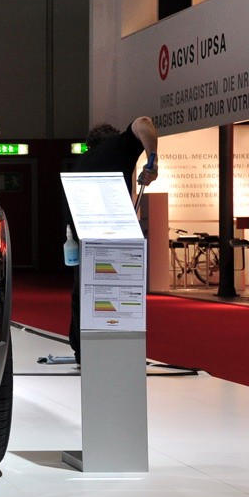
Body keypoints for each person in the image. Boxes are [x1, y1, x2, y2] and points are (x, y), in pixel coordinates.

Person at [66, 116, 159, 363]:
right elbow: (143, 123)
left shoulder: (80, 162)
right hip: (114, 239)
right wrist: (153, 160)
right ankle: (116, 353)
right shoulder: (119, 146)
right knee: (117, 296)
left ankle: (83, 351)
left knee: (83, 293)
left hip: (83, 238)